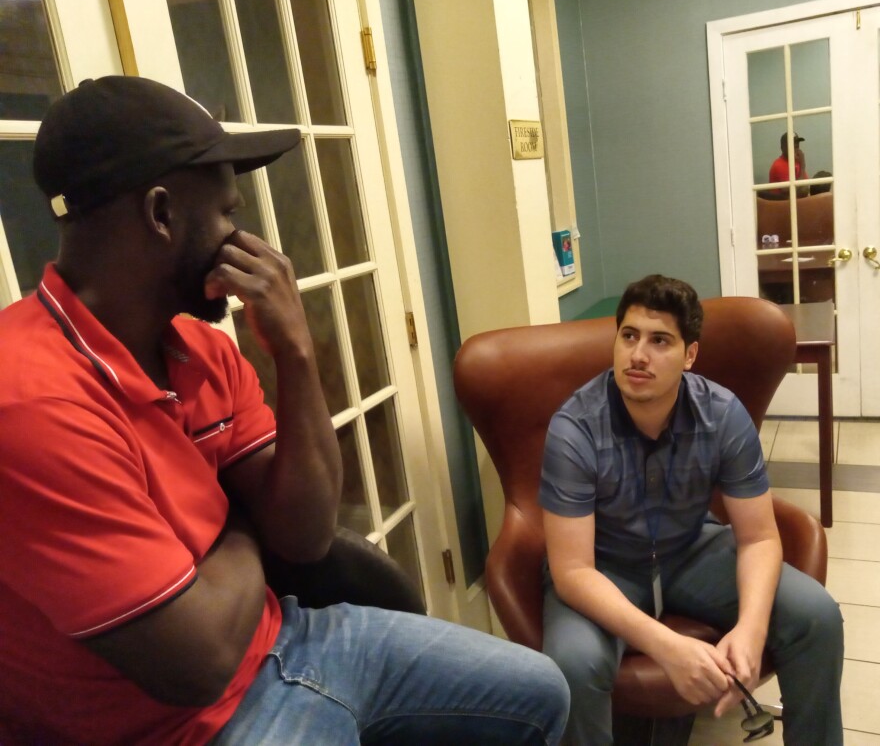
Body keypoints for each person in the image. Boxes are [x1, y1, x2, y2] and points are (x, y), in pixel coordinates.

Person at [0, 76, 570, 745]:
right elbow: (197, 662)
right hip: (189, 728)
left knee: (540, 693)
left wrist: (296, 354)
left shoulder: (199, 350)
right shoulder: (30, 399)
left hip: (290, 636)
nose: (242, 236)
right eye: (227, 213)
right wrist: (242, 519)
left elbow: (303, 535)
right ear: (161, 214)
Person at [539, 274, 843, 745]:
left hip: (690, 547)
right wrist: (669, 647)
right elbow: (572, 570)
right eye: (629, 336)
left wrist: (751, 629)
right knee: (573, 664)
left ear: (690, 355)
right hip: (604, 565)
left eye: (660, 341)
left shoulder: (721, 414)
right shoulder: (574, 428)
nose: (639, 355)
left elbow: (759, 537)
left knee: (817, 616)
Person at [767, 132, 808, 198]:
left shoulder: (796, 161)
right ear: (782, 148)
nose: (796, 146)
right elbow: (789, 191)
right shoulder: (778, 165)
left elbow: (805, 186)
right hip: (783, 205)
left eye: (797, 143)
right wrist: (803, 165)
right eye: (792, 143)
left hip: (797, 202)